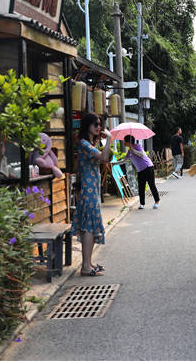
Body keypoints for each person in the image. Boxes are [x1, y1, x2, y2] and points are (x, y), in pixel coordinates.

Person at [74, 113, 111, 276]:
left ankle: (88, 263)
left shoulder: (88, 143)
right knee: (88, 227)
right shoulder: (84, 143)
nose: (98, 127)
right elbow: (104, 158)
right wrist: (109, 138)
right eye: (95, 124)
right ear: (87, 125)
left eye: (100, 125)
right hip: (89, 191)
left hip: (91, 189)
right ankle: (85, 267)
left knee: (88, 226)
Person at [123, 135, 160, 210]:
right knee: (141, 187)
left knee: (151, 185)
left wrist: (133, 150)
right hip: (140, 170)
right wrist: (115, 163)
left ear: (128, 142)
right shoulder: (129, 151)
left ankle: (157, 201)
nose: (123, 142)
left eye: (124, 141)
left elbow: (142, 154)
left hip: (148, 167)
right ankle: (142, 203)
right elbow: (124, 160)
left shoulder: (137, 146)